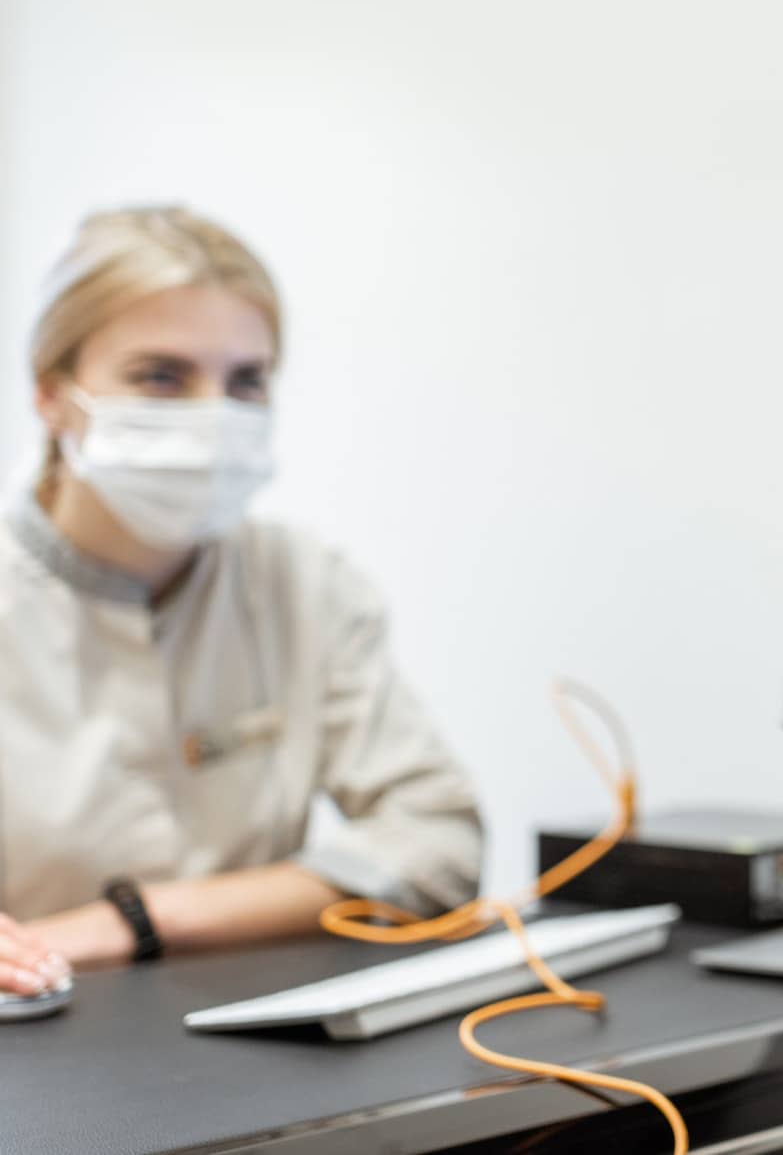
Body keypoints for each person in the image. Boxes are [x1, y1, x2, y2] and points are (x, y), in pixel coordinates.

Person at [0, 207, 483, 996]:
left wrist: (137, 920)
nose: (211, 417)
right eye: (161, 375)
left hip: (258, 1049)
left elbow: (440, 842)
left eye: (245, 382)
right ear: (52, 394)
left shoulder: (302, 583)